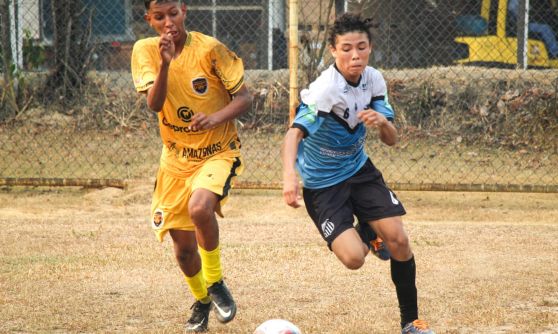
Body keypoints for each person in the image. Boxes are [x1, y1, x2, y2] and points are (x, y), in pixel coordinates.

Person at [281, 12, 435, 334]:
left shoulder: (374, 80)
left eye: (362, 47)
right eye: (347, 48)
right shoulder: (325, 90)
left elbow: (391, 141)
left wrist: (383, 123)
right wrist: (289, 178)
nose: (355, 55)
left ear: (370, 48)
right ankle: (368, 232)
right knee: (354, 258)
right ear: (333, 51)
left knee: (400, 241)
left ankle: (411, 322)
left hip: (359, 171)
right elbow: (293, 134)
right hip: (323, 186)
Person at [131, 1, 252, 332]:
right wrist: (165, 65)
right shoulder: (145, 51)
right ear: (149, 20)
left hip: (217, 151)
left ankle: (215, 284)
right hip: (174, 160)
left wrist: (213, 118)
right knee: (184, 252)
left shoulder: (210, 49)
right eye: (159, 16)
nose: (168, 21)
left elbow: (244, 97)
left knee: (200, 209)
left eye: (173, 13)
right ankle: (201, 300)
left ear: (184, 10)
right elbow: (154, 104)